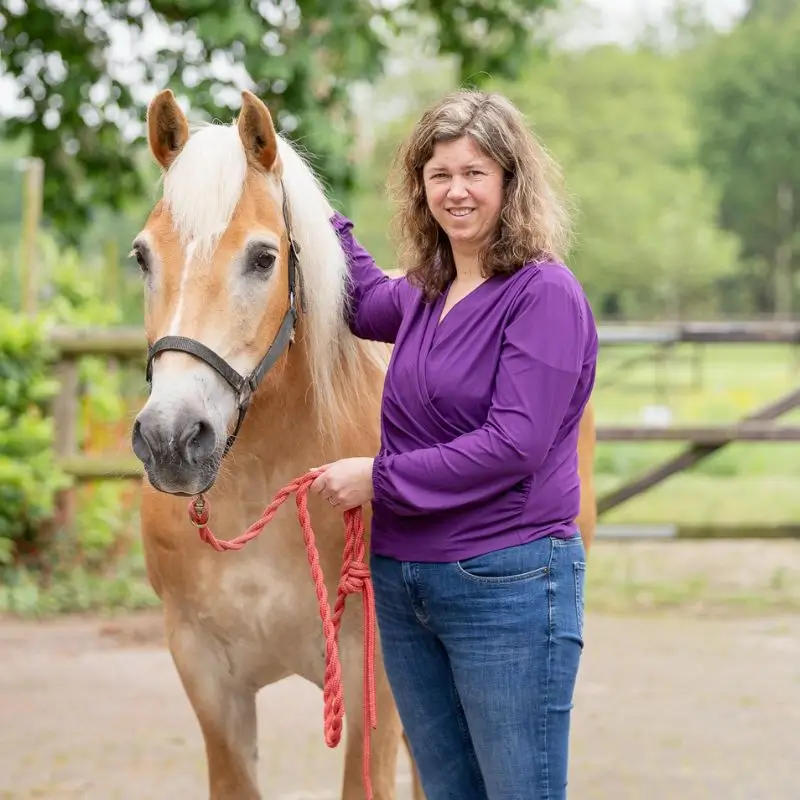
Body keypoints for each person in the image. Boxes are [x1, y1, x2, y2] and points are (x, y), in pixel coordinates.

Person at [310, 88, 598, 800]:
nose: (456, 191)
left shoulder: (544, 295)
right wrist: (300, 199)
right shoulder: (424, 294)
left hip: (510, 581)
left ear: (510, 181)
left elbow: (513, 444)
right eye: (439, 175)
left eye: (475, 173)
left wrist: (379, 479)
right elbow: (356, 295)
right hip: (408, 584)